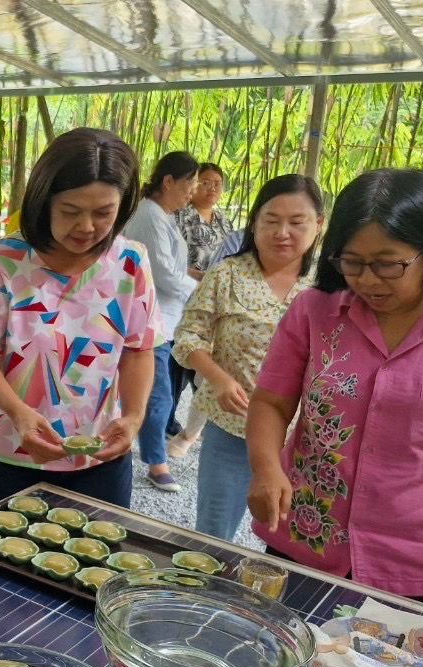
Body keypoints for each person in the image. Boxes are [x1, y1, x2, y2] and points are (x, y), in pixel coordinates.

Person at [246, 169, 423, 620]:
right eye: (352, 261)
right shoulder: (315, 310)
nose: (367, 280)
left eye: (388, 263)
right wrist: (266, 468)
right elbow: (272, 401)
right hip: (308, 541)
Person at [0, 128, 162, 508]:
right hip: (11, 450)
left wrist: (132, 418)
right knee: (10, 563)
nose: (86, 227)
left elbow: (137, 350)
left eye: (103, 213)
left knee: (101, 562)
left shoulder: (130, 262)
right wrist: (18, 414)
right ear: (44, 201)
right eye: (70, 212)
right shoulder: (5, 259)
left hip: (100, 454)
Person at [172, 175, 322, 541]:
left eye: (297, 222)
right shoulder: (228, 274)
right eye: (271, 221)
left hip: (306, 438)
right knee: (213, 532)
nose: (282, 232)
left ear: (319, 225)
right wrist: (218, 378)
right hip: (233, 425)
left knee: (296, 538)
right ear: (254, 223)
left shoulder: (329, 287)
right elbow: (188, 335)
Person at [120, 151, 198, 492]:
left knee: (153, 393)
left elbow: (172, 269)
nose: (192, 190)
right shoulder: (149, 216)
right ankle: (156, 462)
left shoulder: (161, 215)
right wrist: (201, 291)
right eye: (190, 182)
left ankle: (144, 454)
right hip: (150, 319)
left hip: (162, 317)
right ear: (168, 181)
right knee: (158, 395)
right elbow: (164, 273)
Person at [166, 162, 235, 455]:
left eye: (217, 183)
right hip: (181, 295)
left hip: (214, 301)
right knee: (178, 363)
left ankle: (200, 425)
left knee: (207, 366)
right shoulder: (178, 216)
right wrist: (197, 275)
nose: (211, 188)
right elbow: (168, 259)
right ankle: (166, 421)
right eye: (205, 182)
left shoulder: (224, 222)